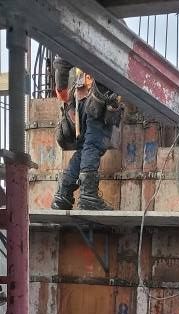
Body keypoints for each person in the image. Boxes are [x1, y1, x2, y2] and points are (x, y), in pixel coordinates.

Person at [51, 58, 122, 211]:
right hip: (98, 96)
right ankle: (88, 195)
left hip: (81, 99)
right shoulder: (100, 38)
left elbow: (62, 63)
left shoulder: (76, 40)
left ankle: (63, 193)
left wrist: (63, 94)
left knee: (84, 148)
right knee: (94, 145)